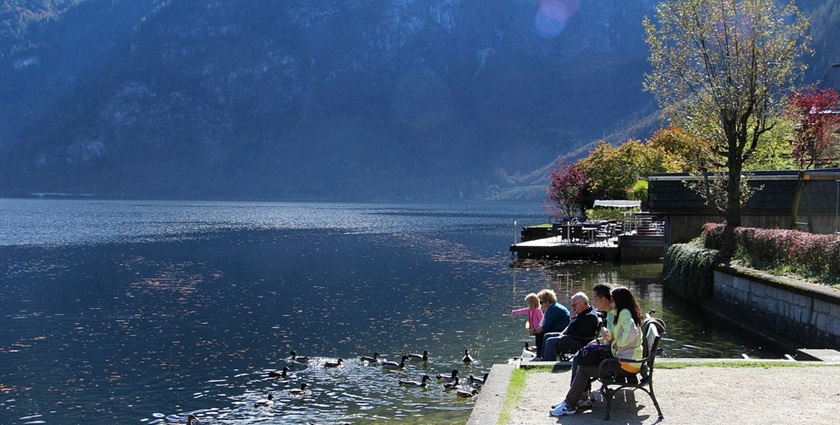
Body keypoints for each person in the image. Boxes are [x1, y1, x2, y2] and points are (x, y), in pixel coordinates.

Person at [550, 286, 643, 416]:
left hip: (627, 363)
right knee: (584, 361)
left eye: (613, 300)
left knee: (584, 367)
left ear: (619, 301)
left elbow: (632, 333)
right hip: (626, 361)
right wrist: (608, 336)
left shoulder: (623, 313)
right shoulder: (622, 313)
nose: (611, 302)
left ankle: (570, 403)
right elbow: (621, 334)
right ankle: (571, 401)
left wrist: (617, 345)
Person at [541, 292, 600, 361]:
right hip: (573, 337)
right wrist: (562, 333)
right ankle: (542, 358)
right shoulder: (584, 312)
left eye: (574, 305)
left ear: (581, 303)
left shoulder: (589, 316)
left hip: (580, 342)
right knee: (547, 335)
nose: (573, 308)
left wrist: (572, 318)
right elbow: (572, 329)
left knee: (550, 342)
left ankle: (547, 362)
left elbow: (575, 331)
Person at [532, 289, 570, 361]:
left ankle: (540, 356)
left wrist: (534, 331)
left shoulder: (552, 309)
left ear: (547, 302)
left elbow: (545, 327)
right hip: (561, 328)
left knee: (540, 334)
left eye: (541, 302)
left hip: (562, 331)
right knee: (540, 332)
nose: (540, 304)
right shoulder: (553, 307)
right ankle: (541, 355)